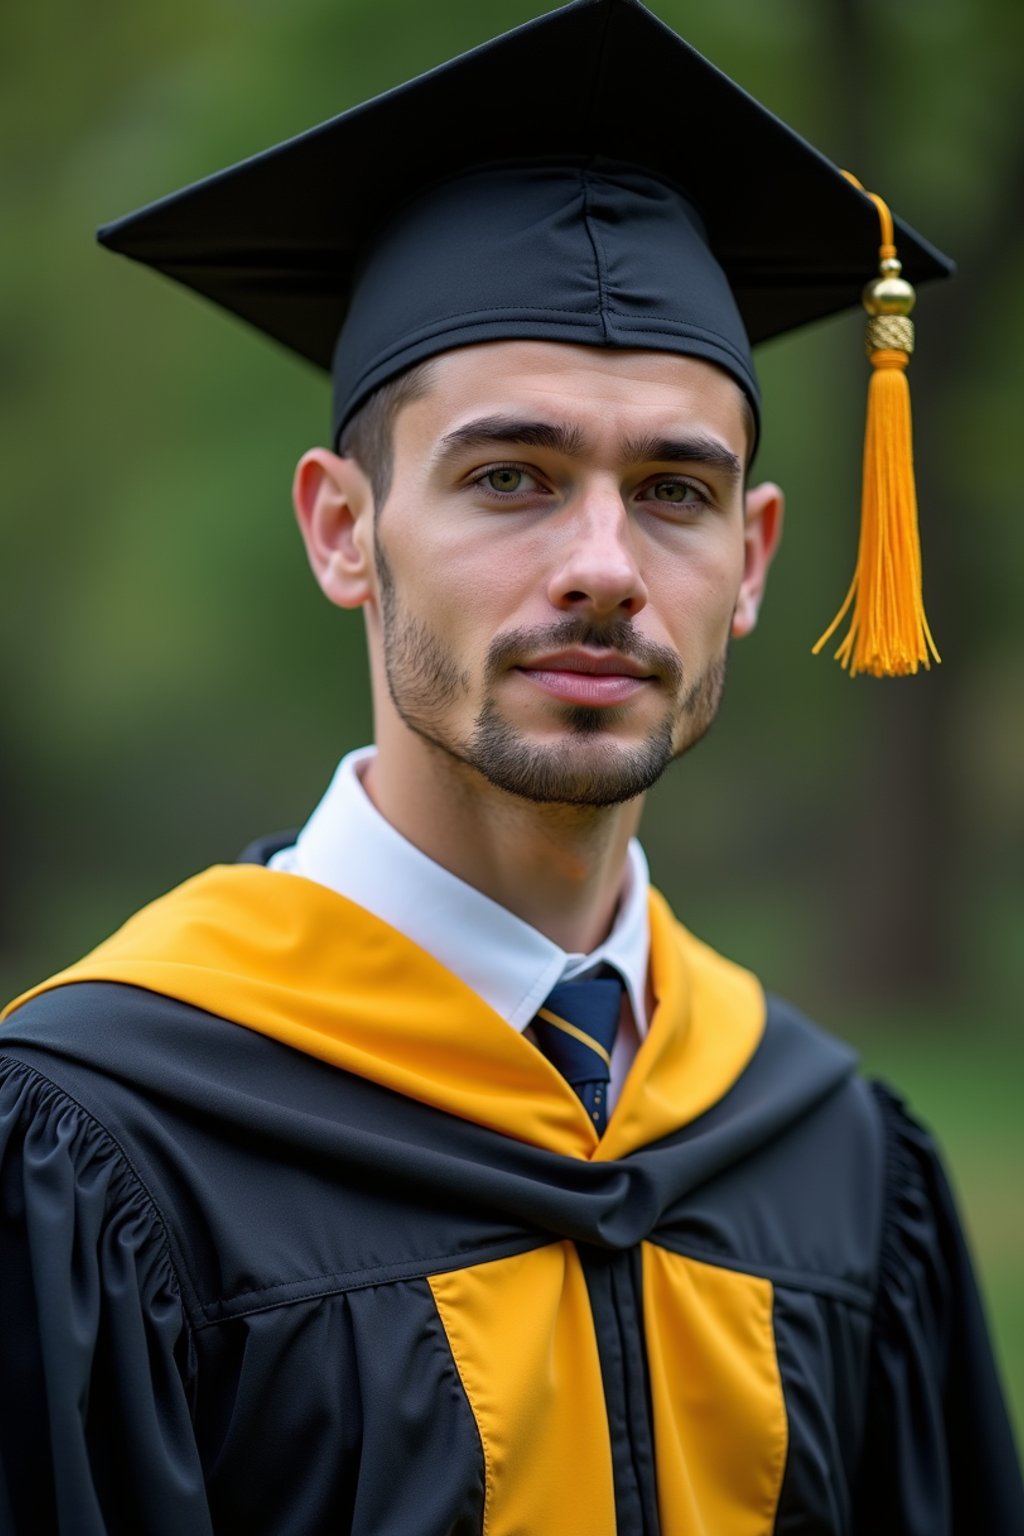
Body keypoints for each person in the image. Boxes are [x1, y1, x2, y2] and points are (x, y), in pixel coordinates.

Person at [1, 1, 1021, 1531]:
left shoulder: (841, 1159)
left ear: (750, 561)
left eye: (674, 490)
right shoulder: (101, 1148)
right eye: (510, 478)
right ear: (343, 529)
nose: (604, 565)